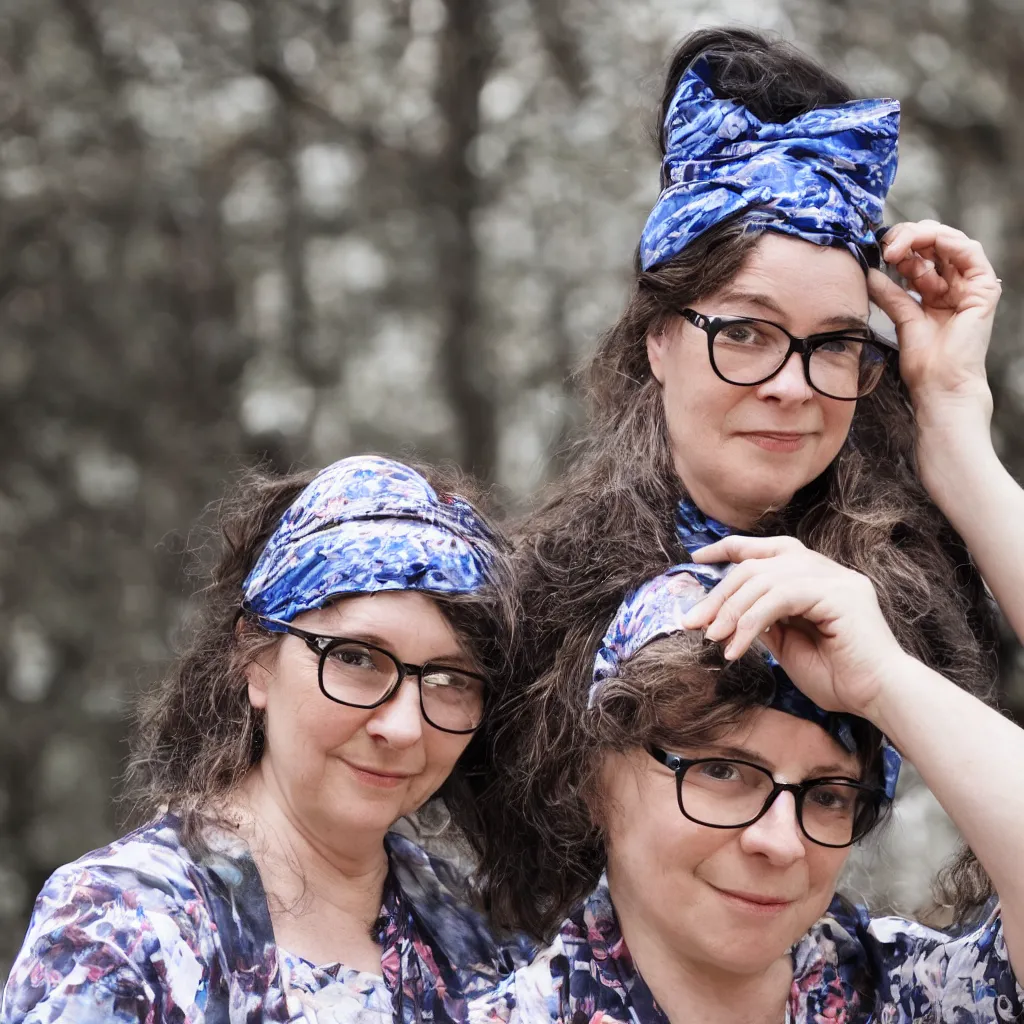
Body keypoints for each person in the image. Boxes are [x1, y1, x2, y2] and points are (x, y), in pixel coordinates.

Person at [495, 26, 1004, 926]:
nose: (793, 388)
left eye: (834, 346)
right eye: (746, 334)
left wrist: (958, 430)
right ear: (658, 338)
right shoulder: (539, 594)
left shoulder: (911, 575)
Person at [1, 455, 532, 1024]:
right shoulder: (124, 932)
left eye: (450, 679)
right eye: (356, 659)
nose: (403, 727)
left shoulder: (486, 944)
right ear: (256, 657)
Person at [471, 520, 1024, 1022]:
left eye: (828, 795)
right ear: (591, 781)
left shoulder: (910, 997)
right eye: (722, 771)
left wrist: (884, 678)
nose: (781, 843)